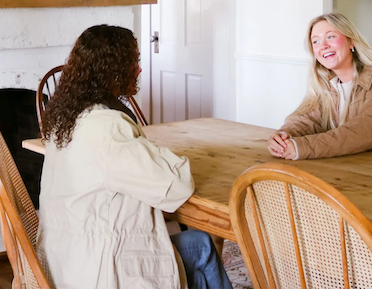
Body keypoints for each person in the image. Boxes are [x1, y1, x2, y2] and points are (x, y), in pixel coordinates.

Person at [37, 25, 231, 289]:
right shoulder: (107, 127)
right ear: (112, 68)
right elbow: (176, 187)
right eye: (134, 61)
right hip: (102, 268)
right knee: (202, 245)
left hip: (63, 258)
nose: (139, 69)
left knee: (195, 274)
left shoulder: (66, 119)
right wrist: (163, 157)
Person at [268, 13, 372, 160]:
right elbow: (307, 118)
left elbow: (362, 132)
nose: (323, 46)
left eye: (330, 37)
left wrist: (302, 147)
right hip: (346, 166)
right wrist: (284, 137)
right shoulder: (327, 83)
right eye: (316, 41)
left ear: (351, 41)